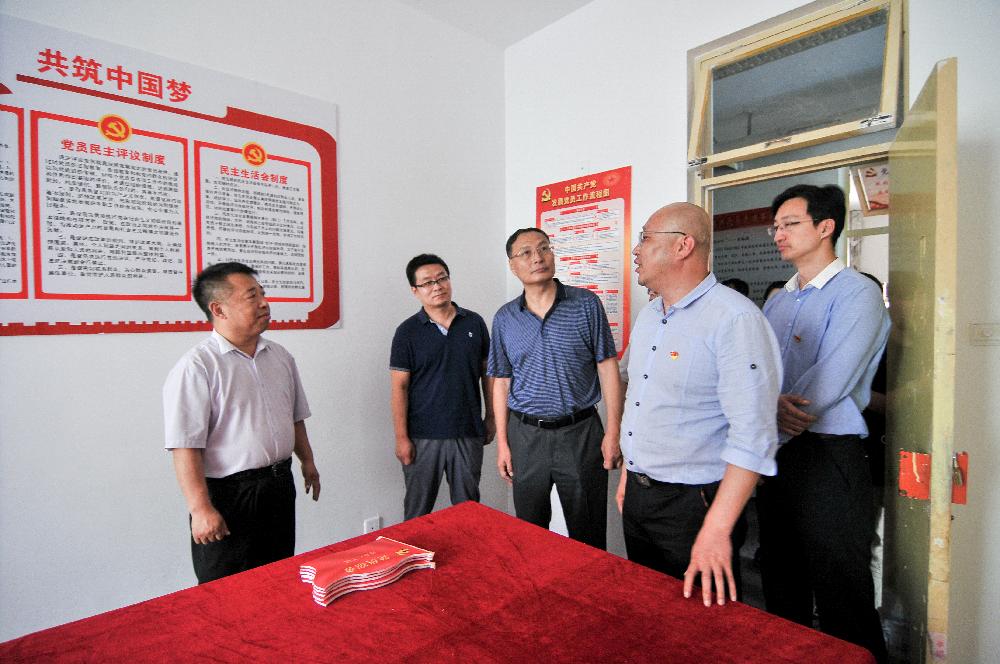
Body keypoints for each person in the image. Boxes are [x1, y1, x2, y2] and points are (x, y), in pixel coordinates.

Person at [617, 202, 782, 607]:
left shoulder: (734, 319)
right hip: (639, 495)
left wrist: (717, 528)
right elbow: (641, 401)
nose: (636, 250)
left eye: (645, 238)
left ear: (683, 246)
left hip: (694, 504)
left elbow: (754, 435)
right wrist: (628, 474)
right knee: (650, 610)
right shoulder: (650, 316)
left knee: (702, 623)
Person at [759, 184, 889, 662]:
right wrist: (766, 411)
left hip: (828, 456)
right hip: (778, 454)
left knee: (841, 587)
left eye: (790, 224)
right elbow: (759, 369)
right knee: (780, 577)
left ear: (825, 227)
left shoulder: (858, 293)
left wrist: (773, 412)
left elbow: (832, 379)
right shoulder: (779, 300)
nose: (779, 234)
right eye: (776, 227)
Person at [163, 262, 321, 584]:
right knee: (227, 589)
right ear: (218, 309)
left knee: (277, 578)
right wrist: (200, 509)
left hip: (278, 485)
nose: (264, 303)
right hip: (229, 496)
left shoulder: (280, 356)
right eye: (252, 296)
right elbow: (185, 447)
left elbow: (295, 417)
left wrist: (308, 462)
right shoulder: (197, 367)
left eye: (263, 294)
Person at [487, 227, 623, 549]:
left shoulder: (586, 304)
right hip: (526, 436)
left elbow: (607, 367)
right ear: (512, 265)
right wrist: (503, 443)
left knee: (588, 535)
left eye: (544, 248)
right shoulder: (505, 318)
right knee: (530, 534)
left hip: (580, 434)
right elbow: (501, 382)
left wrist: (613, 432)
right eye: (526, 253)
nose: (537, 258)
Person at [390, 254, 494, 520]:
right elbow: (399, 388)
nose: (437, 286)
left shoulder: (474, 323)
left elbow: (488, 374)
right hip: (422, 436)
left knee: (468, 511)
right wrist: (401, 437)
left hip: (467, 431)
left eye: (442, 278)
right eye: (427, 283)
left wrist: (492, 417)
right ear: (415, 290)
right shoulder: (407, 332)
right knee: (417, 512)